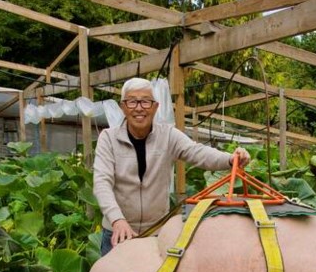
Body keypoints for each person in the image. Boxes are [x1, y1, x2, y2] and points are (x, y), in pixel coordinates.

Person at [93, 77, 251, 256]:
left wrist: (230, 159)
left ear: (155, 107)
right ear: (123, 107)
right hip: (118, 232)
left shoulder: (168, 136)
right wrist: (117, 220)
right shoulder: (108, 138)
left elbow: (196, 152)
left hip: (156, 232)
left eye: (145, 101)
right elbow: (101, 182)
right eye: (132, 102)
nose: (139, 108)